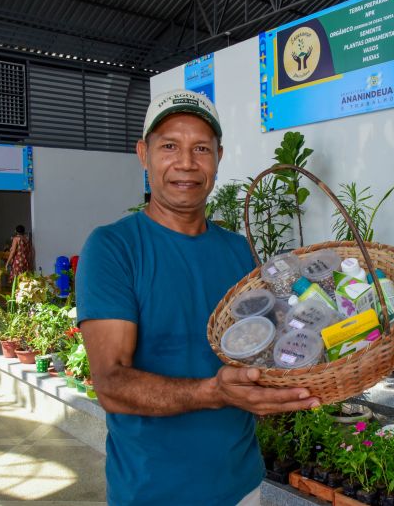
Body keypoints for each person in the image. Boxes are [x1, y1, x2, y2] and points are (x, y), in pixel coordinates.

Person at [75, 89, 320, 506]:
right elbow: (111, 384)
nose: (186, 163)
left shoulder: (239, 251)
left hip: (241, 484)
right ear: (143, 153)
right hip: (153, 492)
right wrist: (215, 392)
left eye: (201, 149)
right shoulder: (114, 247)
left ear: (218, 158)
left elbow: (260, 351)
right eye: (170, 146)